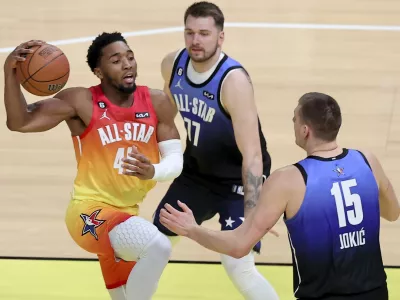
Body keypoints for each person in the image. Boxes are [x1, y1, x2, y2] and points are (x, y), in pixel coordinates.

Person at [160, 92, 400, 300]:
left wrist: (192, 229)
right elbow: (392, 213)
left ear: (305, 130)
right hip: (377, 293)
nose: (293, 123)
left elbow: (238, 246)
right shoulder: (367, 161)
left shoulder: (289, 179)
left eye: (295, 118)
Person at [4, 32, 184, 300]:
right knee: (157, 246)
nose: (127, 64)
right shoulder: (80, 102)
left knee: (128, 293)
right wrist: (9, 74)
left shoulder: (158, 102)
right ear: (99, 71)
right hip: (89, 212)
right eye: (116, 60)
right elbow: (19, 122)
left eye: (130, 57)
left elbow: (175, 160)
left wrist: (154, 171)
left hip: (127, 216)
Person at [152, 1, 279, 299]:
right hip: (196, 174)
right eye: (190, 32)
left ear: (220, 37)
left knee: (239, 267)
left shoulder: (233, 81)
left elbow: (253, 153)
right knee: (152, 245)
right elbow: (167, 115)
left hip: (238, 180)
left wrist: (252, 212)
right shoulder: (173, 65)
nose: (196, 40)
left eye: (205, 34)